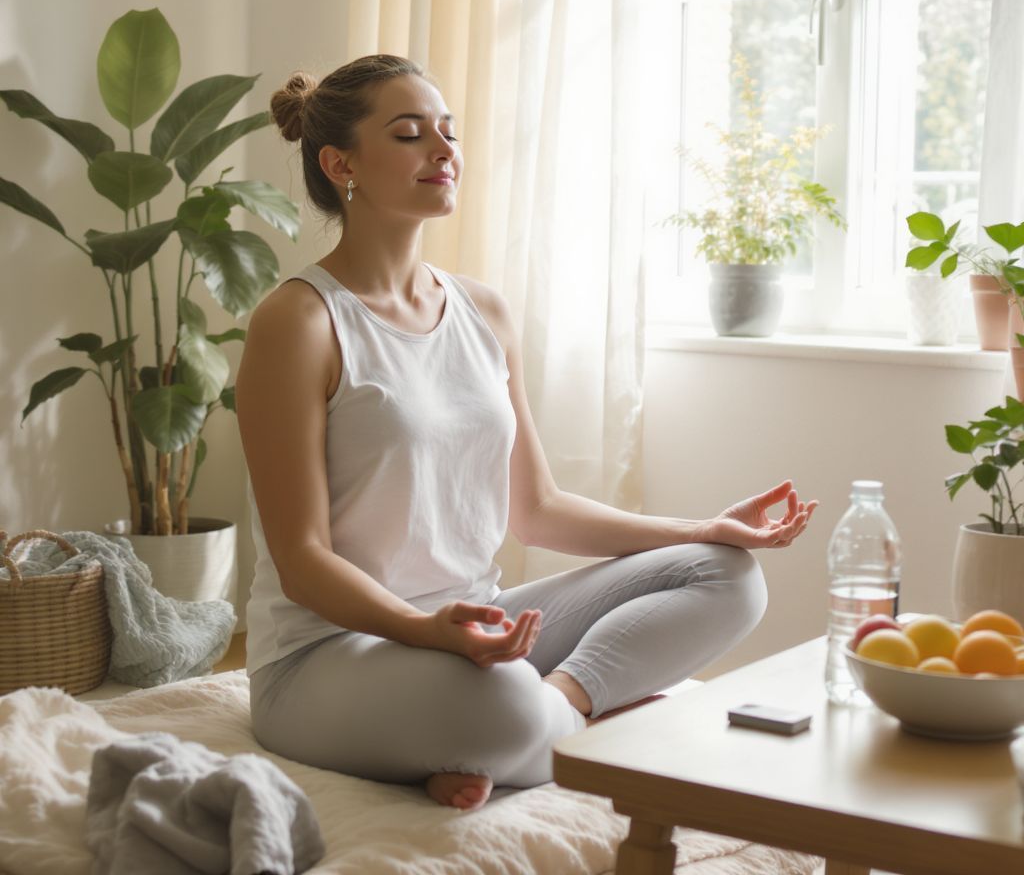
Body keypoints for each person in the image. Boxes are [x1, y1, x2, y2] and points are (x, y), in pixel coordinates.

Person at [236, 54, 818, 812]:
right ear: (340, 163)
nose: (444, 152)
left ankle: (557, 709)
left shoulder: (484, 312)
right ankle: (539, 726)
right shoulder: (299, 322)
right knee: (503, 698)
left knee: (726, 575)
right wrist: (425, 631)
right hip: (325, 657)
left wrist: (702, 526)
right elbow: (304, 562)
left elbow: (537, 509)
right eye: (411, 135)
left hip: (475, 629)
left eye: (448, 132)